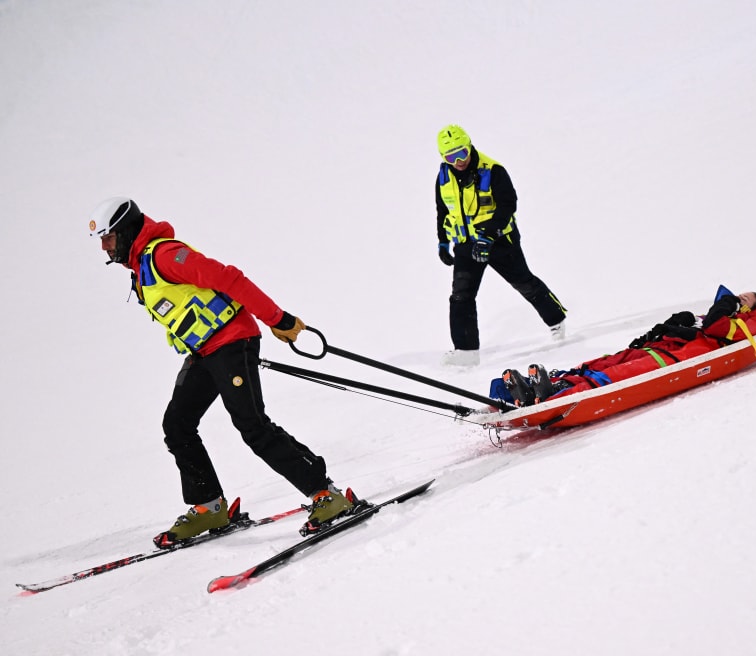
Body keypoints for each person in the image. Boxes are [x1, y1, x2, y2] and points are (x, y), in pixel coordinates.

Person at [88, 197, 369, 547]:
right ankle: (209, 506)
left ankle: (326, 494)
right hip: (205, 352)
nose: (104, 246)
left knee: (252, 426)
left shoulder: (164, 256)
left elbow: (229, 279)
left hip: (232, 341)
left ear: (127, 232)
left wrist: (277, 319)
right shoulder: (142, 266)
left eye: (109, 237)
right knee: (177, 425)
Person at [494, 289, 756, 407]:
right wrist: (665, 328)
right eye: (738, 294)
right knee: (598, 365)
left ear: (751, 309)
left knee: (613, 376)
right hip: (655, 350)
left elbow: (716, 328)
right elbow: (696, 325)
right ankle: (537, 388)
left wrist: (729, 304)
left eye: (745, 298)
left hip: (673, 359)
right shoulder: (710, 316)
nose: (738, 297)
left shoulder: (743, 325)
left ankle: (555, 395)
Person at [435, 124, 567, 368]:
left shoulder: (493, 170)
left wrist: (488, 235)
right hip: (466, 245)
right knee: (460, 296)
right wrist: (443, 241)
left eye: (461, 153)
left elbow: (508, 205)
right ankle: (466, 352)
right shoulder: (443, 176)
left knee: (524, 282)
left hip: (500, 242)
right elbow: (443, 209)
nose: (458, 161)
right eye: (450, 156)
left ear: (469, 146)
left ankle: (556, 320)